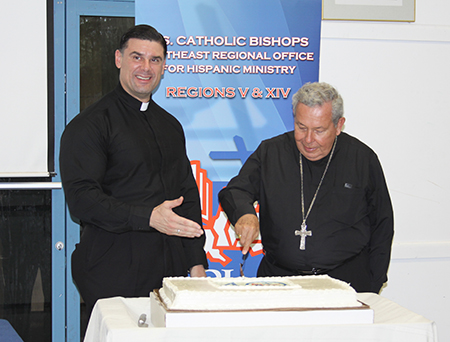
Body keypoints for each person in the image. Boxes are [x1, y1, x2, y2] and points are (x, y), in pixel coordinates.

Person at [60, 24, 208, 315]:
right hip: (113, 271)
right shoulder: (89, 126)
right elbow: (82, 199)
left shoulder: (171, 125)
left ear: (164, 66)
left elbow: (187, 195)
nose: (146, 67)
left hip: (170, 272)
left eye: (155, 60)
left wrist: (196, 263)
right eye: (136, 57)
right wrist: (148, 217)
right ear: (118, 59)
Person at [219, 82, 393, 293]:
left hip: (344, 283)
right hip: (279, 281)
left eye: (319, 130)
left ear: (338, 125)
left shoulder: (362, 159)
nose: (308, 140)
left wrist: (373, 283)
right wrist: (245, 214)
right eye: (301, 128)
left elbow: (382, 223)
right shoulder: (271, 152)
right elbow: (235, 191)